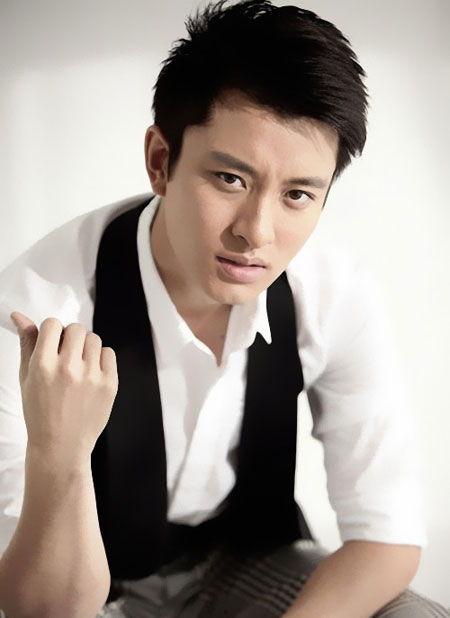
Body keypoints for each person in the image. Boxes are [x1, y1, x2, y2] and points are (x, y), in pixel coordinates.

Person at [0, 0, 448, 616]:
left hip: (247, 563)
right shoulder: (33, 312)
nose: (256, 232)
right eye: (230, 179)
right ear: (161, 161)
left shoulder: (335, 293)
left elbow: (387, 534)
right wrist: (61, 456)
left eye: (298, 194)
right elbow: (43, 609)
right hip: (88, 580)